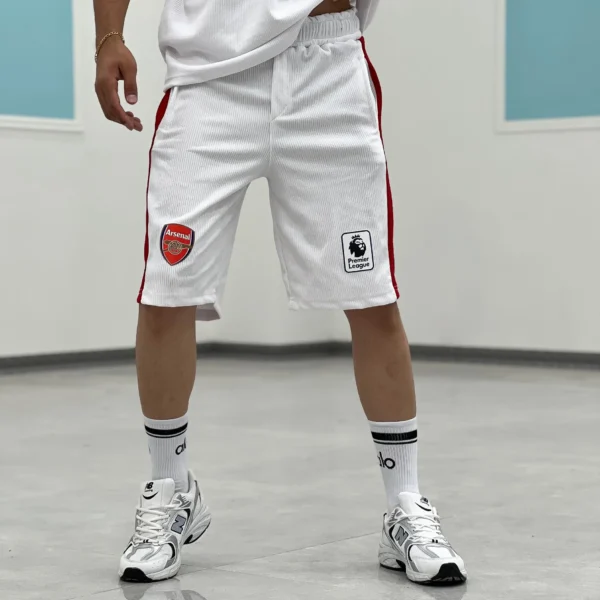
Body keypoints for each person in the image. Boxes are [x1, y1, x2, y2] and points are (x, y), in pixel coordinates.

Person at [94, 0, 467, 586]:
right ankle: (170, 489)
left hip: (328, 65)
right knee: (167, 292)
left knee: (372, 295)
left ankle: (405, 504)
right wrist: (108, 36)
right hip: (206, 70)